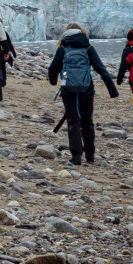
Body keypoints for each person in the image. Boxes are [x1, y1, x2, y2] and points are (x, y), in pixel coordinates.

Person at [48, 23, 119, 165]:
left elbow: (52, 69)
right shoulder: (88, 48)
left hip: (68, 89)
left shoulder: (62, 49)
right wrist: (112, 90)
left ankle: (76, 156)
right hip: (87, 89)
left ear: (66, 34)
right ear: (81, 33)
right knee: (87, 121)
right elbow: (101, 68)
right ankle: (90, 156)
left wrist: (54, 82)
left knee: (72, 121)